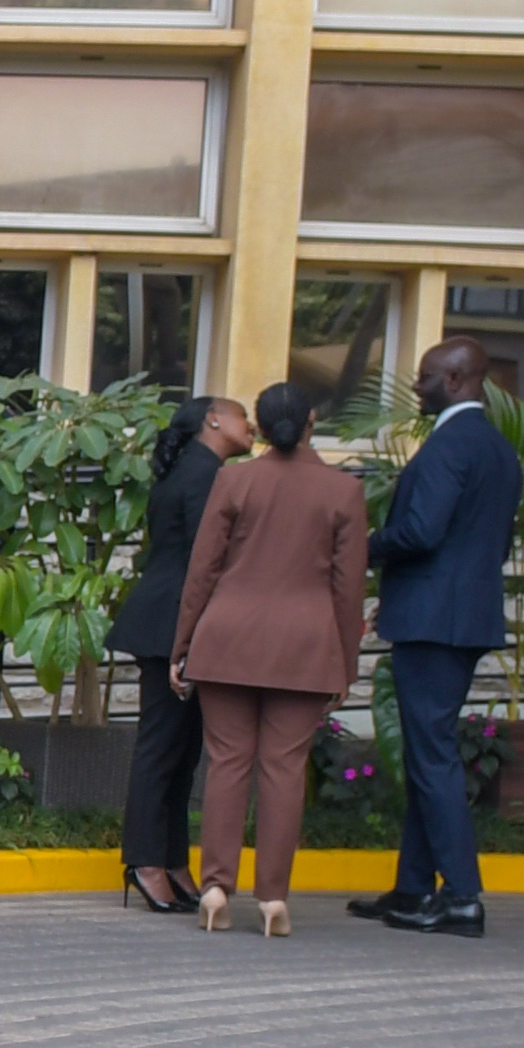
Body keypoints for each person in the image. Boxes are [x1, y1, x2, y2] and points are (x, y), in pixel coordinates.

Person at [170, 381, 369, 933]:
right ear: (311, 422)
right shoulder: (344, 491)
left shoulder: (234, 479)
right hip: (305, 646)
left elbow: (203, 569)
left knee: (228, 763)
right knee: (284, 769)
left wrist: (183, 644)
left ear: (260, 424)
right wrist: (346, 664)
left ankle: (215, 887)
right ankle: (274, 899)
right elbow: (348, 588)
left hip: (227, 637)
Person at [362, 339, 518, 936]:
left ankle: (461, 896)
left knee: (431, 755)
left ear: (455, 379)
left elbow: (422, 532)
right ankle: (412, 889)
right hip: (464, 615)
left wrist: (363, 545)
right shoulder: (498, 449)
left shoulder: (450, 446)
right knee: (431, 752)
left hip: (433, 620)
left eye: (425, 378)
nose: (416, 388)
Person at [106, 389, 250, 915]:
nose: (251, 424)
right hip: (171, 623)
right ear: (212, 420)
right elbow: (203, 562)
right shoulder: (205, 475)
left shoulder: (197, 469)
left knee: (183, 751)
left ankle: (168, 860)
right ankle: (145, 861)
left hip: (177, 621)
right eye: (242, 415)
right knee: (164, 747)